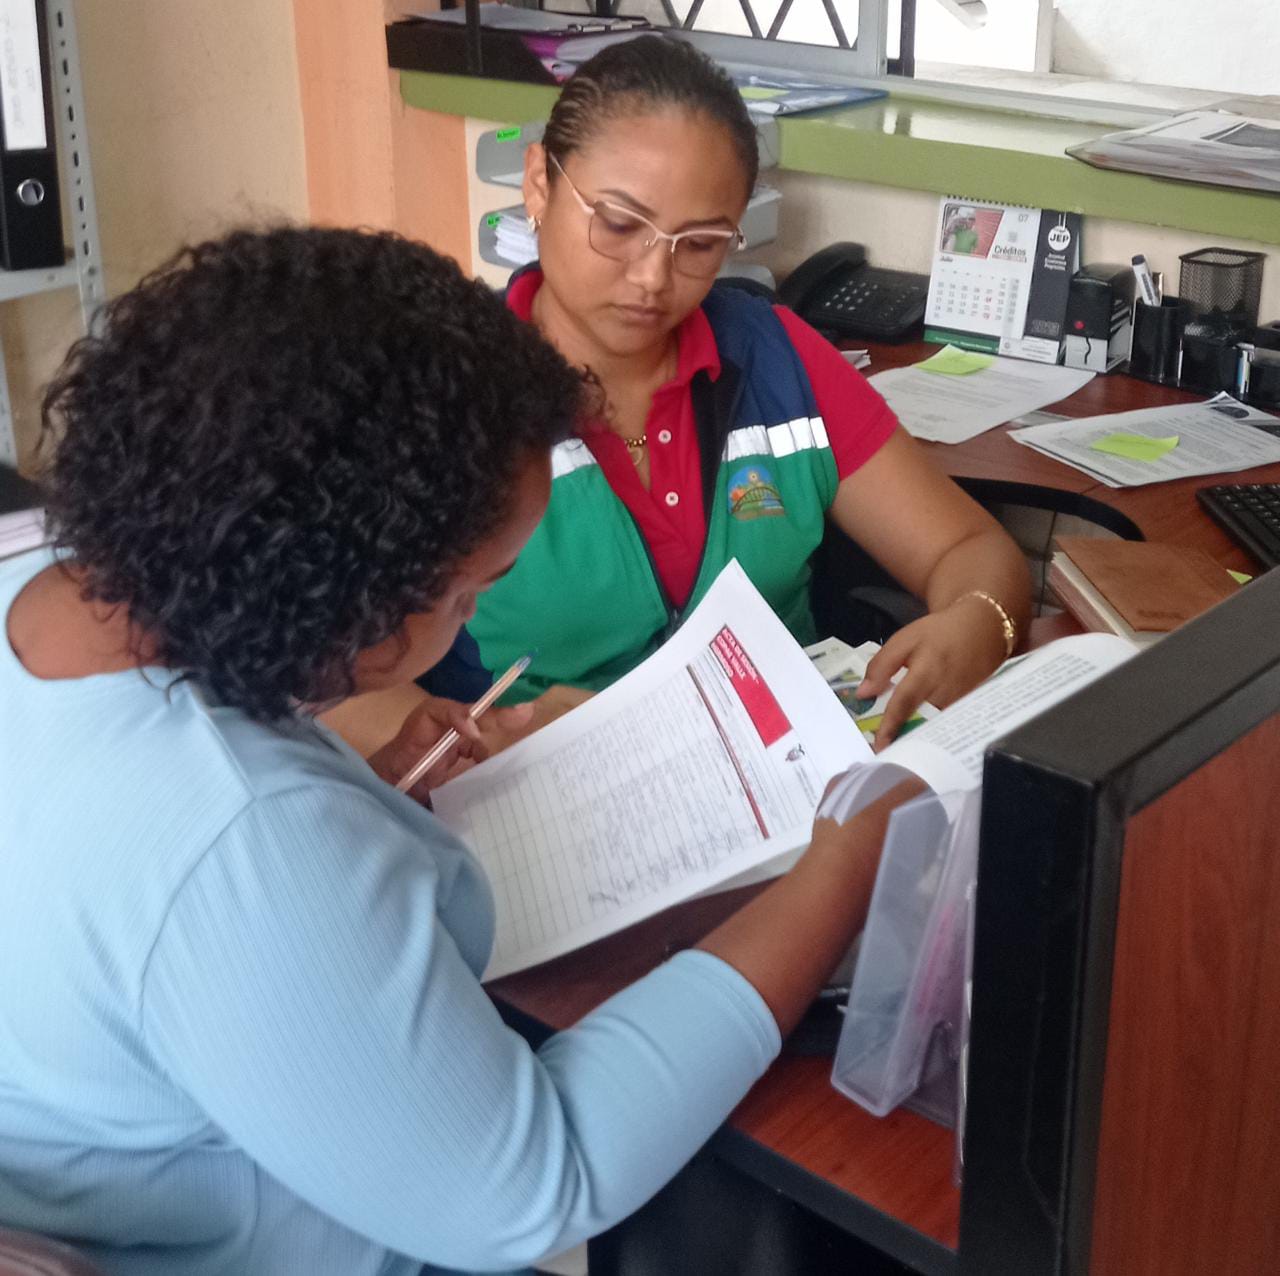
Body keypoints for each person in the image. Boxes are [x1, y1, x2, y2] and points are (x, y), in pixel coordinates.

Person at [0, 225, 916, 1276]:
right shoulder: (242, 840)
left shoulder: (46, 589)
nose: (471, 617)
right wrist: (843, 864)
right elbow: (538, 1181)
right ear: (346, 588)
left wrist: (355, 789)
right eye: (473, 592)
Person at [413, 36, 1028, 752]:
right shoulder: (442, 394)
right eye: (619, 224)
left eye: (700, 243)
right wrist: (462, 749)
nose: (653, 277)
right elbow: (336, 674)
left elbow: (971, 547)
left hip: (787, 773)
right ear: (539, 186)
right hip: (534, 789)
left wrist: (978, 620)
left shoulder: (776, 359)